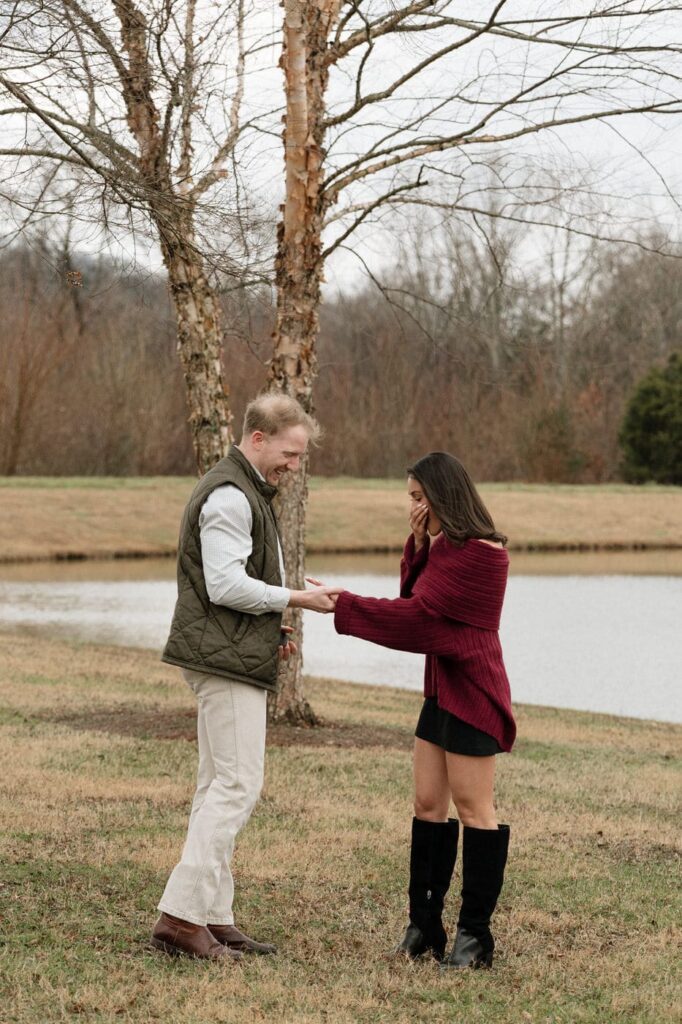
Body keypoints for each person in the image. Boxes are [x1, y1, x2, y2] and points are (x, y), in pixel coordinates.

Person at [151, 394, 337, 961]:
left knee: (217, 785)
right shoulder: (232, 496)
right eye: (290, 452)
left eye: (300, 455)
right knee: (237, 786)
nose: (294, 464)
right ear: (258, 439)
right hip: (221, 662)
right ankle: (180, 919)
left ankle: (213, 915)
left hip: (228, 654)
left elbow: (234, 587)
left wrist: (271, 629)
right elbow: (224, 586)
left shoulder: (246, 489)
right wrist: (296, 599)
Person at [329, 451, 516, 970]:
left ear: (442, 495)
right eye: (409, 497)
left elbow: (421, 623)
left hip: (474, 694)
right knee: (427, 804)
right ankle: (424, 926)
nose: (412, 506)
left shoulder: (484, 555)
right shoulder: (443, 547)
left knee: (475, 810)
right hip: (439, 692)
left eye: (418, 497)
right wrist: (417, 546)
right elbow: (416, 598)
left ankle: (475, 937)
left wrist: (342, 605)